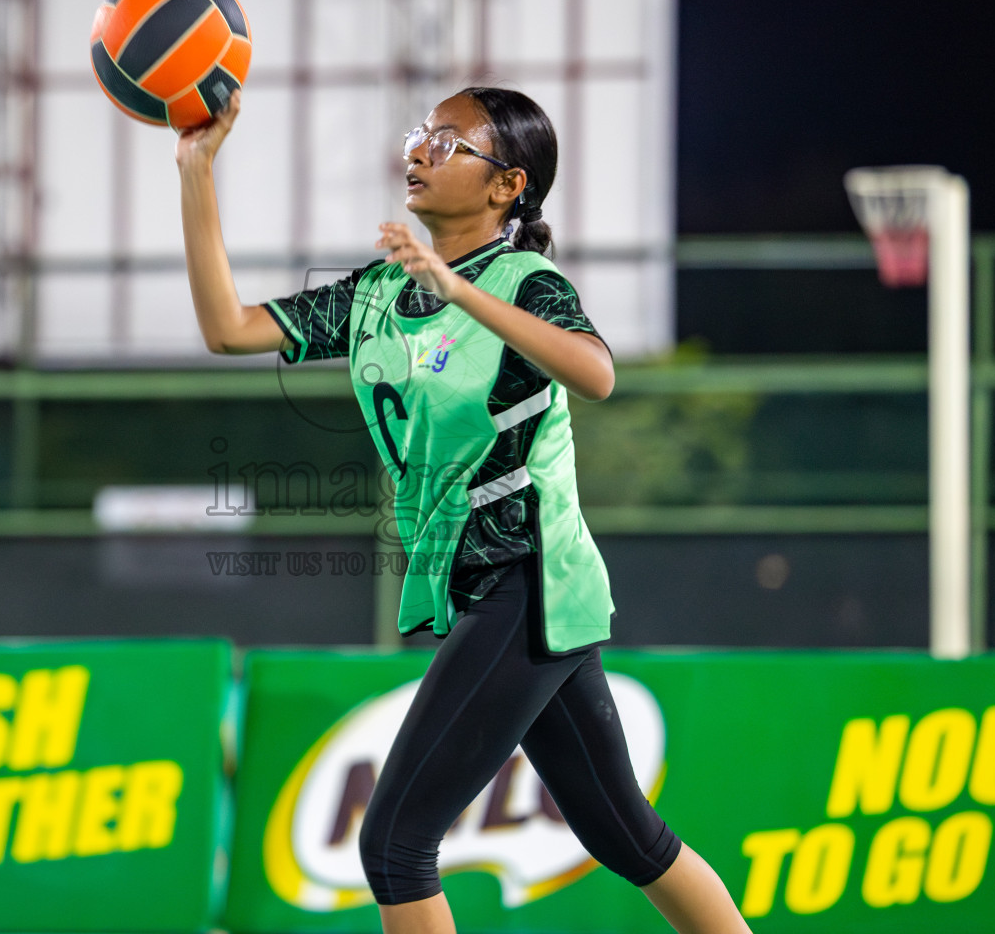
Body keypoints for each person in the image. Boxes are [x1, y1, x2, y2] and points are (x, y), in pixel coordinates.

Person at [176, 85, 752, 934]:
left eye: (447, 141)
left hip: (531, 580)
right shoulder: (379, 293)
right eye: (420, 134)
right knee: (627, 836)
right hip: (479, 586)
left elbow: (597, 374)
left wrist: (459, 289)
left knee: (394, 842)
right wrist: (197, 168)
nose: (419, 150)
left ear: (505, 186)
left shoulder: (526, 280)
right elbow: (228, 329)